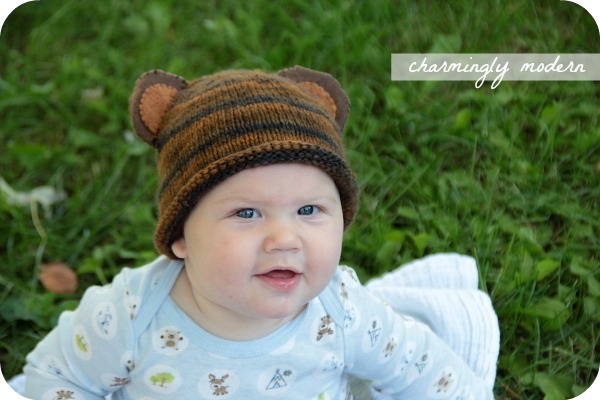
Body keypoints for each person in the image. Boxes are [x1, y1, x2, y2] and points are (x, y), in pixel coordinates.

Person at [22, 66, 499, 399]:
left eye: (309, 209)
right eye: (247, 214)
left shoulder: (343, 313)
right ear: (181, 235)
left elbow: (426, 371)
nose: (284, 239)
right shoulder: (129, 316)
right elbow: (57, 377)